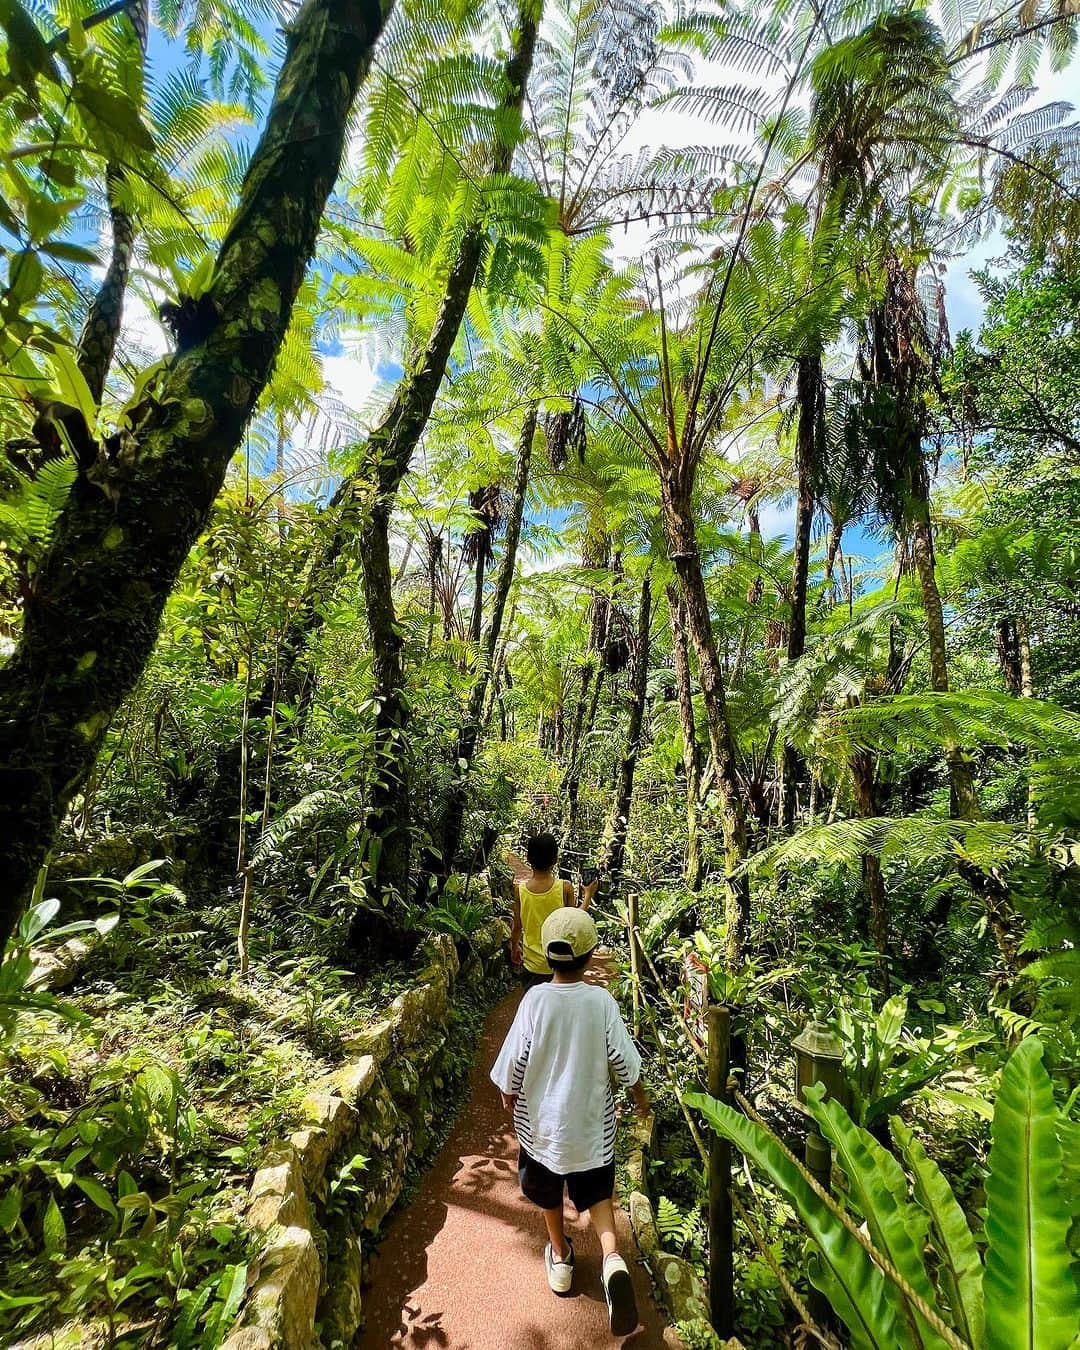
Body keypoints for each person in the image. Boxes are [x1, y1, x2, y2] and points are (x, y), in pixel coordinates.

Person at [491, 907, 650, 1336]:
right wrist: (640, 1099)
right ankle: (612, 1258)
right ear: (590, 953)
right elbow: (624, 1060)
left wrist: (508, 1090)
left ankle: (560, 1257)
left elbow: (516, 1058)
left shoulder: (536, 1000)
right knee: (597, 1191)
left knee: (548, 1192)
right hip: (590, 1127)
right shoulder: (600, 1002)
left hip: (541, 1128)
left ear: (547, 953)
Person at [510, 832, 598, 989]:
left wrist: (514, 947)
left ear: (528, 858)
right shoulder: (564, 888)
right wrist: (588, 895)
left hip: (532, 966)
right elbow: (574, 921)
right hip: (559, 964)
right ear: (555, 859)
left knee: (536, 1010)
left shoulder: (520, 891)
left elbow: (517, 926)